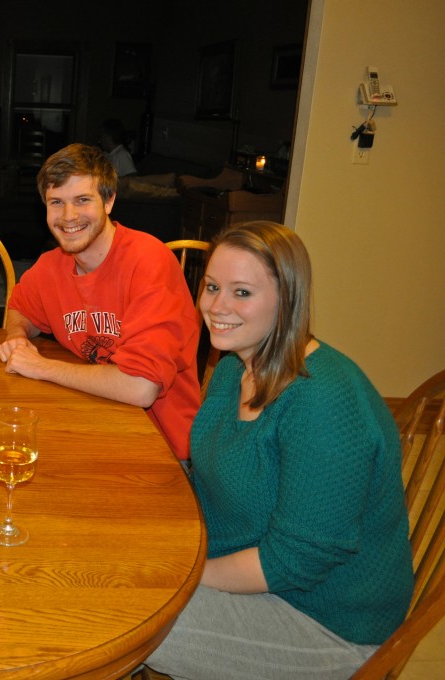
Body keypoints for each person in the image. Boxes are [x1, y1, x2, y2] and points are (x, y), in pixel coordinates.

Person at [144, 222, 413, 679]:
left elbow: (294, 561)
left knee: (136, 613)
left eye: (242, 292)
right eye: (211, 287)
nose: (217, 307)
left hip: (329, 623)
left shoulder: (324, 401)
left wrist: (183, 572)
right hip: (255, 571)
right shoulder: (233, 368)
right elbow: (209, 473)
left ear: (287, 300)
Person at [0, 143, 200, 460]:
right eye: (56, 202)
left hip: (162, 449)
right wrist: (16, 337)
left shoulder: (149, 262)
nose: (68, 216)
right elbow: (20, 308)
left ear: (109, 201)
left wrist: (42, 367)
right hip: (92, 428)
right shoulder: (53, 264)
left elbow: (140, 387)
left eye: (82, 200)